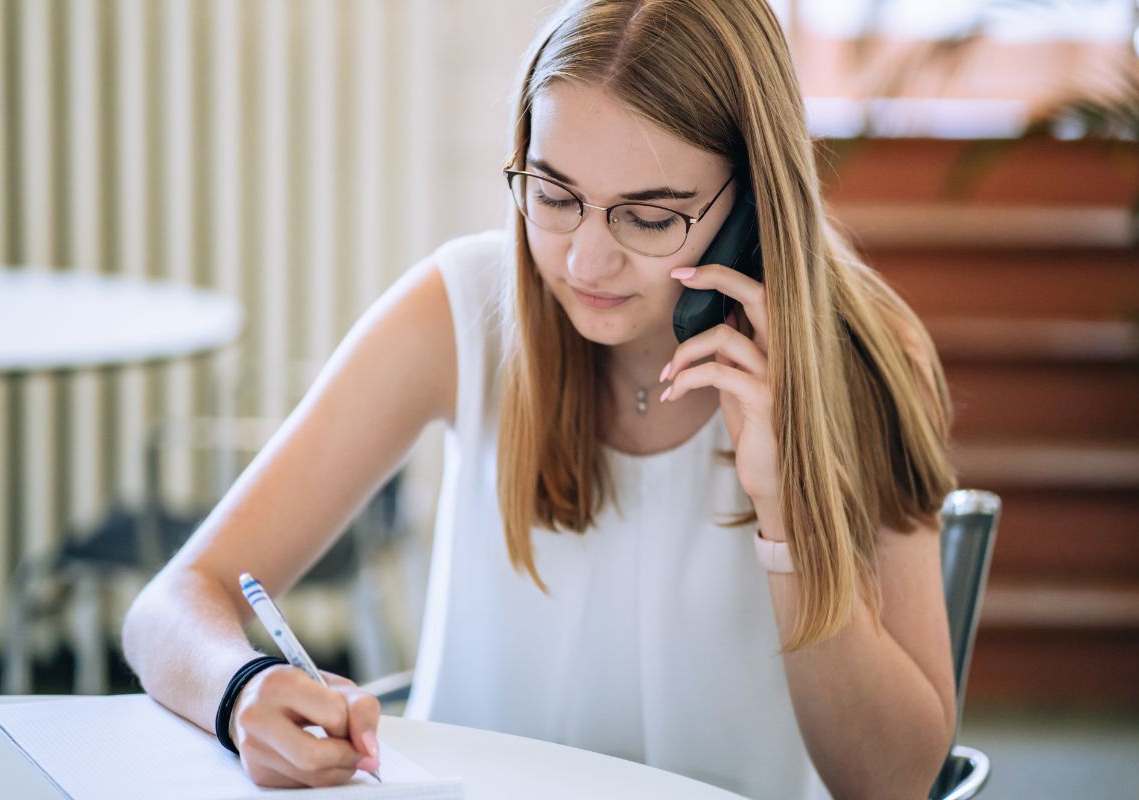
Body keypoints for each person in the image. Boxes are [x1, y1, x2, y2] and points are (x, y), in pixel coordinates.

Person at [122, 1, 960, 797]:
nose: (585, 263)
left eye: (647, 217)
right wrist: (242, 691)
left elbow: (893, 785)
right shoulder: (464, 309)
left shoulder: (860, 359)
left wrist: (788, 509)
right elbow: (172, 603)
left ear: (752, 202)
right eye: (554, 196)